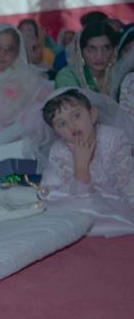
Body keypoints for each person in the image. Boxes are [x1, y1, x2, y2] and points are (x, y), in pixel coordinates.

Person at [33, 88, 134, 236]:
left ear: (92, 115)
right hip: (80, 203)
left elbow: (128, 185)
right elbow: (77, 199)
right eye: (61, 124)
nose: (71, 126)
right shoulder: (59, 151)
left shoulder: (114, 139)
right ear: (56, 131)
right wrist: (81, 165)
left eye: (76, 116)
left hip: (117, 204)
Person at [54, 22, 118, 95]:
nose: (99, 56)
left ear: (113, 51)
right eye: (91, 49)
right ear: (80, 51)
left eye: (106, 48)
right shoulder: (67, 76)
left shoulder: (119, 75)